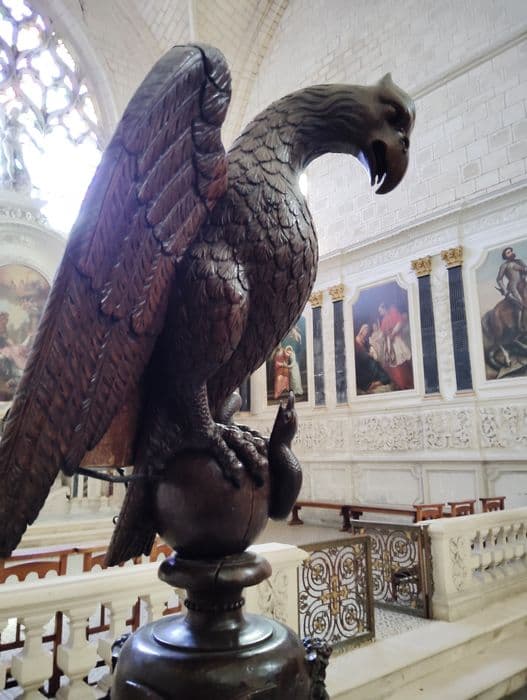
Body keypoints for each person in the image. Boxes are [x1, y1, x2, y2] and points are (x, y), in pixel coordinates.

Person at [378, 303, 413, 390]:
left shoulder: (393, 311)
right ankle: (399, 383)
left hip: (395, 340)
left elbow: (399, 323)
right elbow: (382, 332)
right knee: (392, 363)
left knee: (400, 361)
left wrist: (393, 333)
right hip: (388, 342)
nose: (380, 313)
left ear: (384, 308)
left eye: (380, 311)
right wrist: (378, 339)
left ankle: (405, 383)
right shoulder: (384, 319)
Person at [354, 323, 391, 393]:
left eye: (367, 331)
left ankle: (377, 383)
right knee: (373, 365)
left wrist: (371, 352)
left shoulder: (365, 339)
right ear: (362, 330)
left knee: (377, 364)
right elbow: (360, 352)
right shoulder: (358, 338)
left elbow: (369, 348)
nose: (366, 332)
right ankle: (373, 383)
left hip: (367, 359)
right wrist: (369, 355)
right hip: (362, 361)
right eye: (365, 330)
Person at [496, 246, 527, 328]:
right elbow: (499, 279)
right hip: (513, 287)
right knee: (521, 304)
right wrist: (505, 290)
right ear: (505, 256)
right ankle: (520, 327)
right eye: (508, 253)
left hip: (523, 284)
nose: (511, 253)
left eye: (511, 251)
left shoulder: (519, 261)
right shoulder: (504, 266)